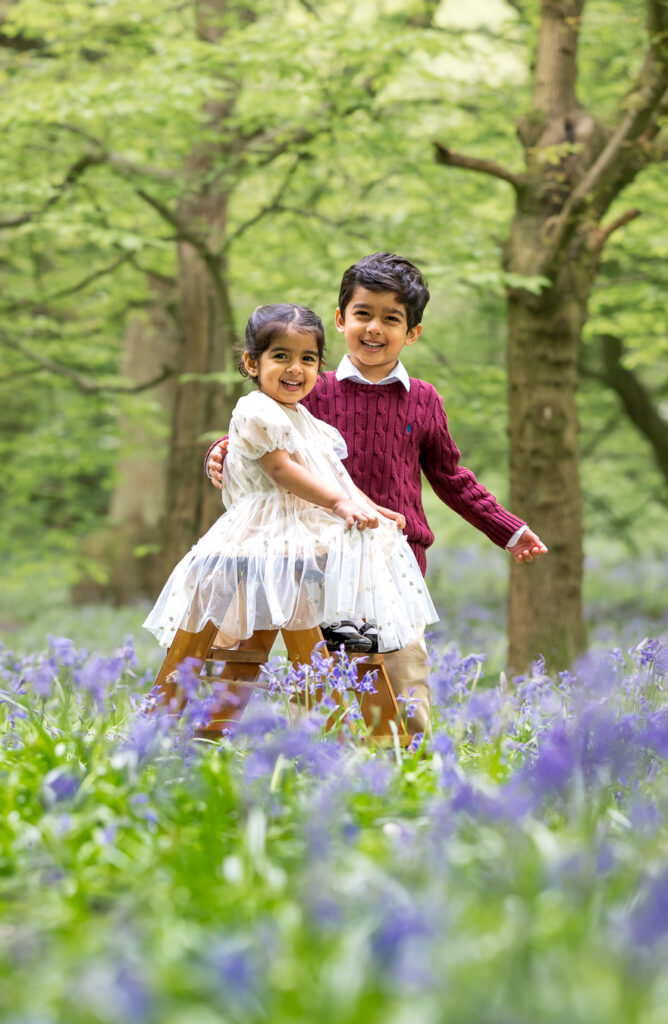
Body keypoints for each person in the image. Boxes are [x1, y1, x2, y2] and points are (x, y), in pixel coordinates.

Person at [204, 253, 547, 733]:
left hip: (394, 565)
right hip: (319, 568)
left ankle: (412, 784)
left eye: (392, 319)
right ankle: (317, 783)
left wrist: (510, 530)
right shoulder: (307, 386)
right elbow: (262, 437)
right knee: (323, 694)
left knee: (405, 686)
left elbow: (451, 477)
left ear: (412, 333)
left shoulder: (423, 400)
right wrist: (220, 450)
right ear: (342, 319)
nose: (374, 328)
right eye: (363, 314)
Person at [144, 303, 438, 665]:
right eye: (281, 356)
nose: (296, 369)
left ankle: (348, 626)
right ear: (253, 363)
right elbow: (281, 470)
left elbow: (333, 473)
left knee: (371, 534)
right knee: (342, 536)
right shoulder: (256, 410)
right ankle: (337, 626)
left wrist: (368, 505)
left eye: (308, 359)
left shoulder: (304, 417)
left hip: (295, 527)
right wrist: (339, 504)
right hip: (266, 528)